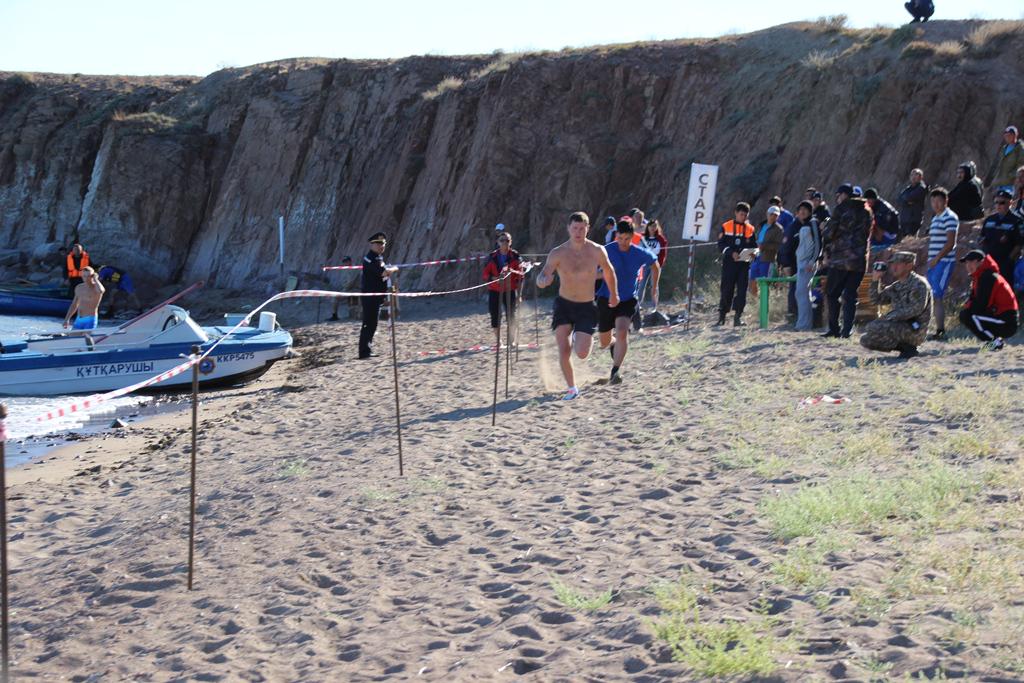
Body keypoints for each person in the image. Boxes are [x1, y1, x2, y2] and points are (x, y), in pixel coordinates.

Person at [536, 212, 617, 401]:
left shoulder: (597, 250)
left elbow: (609, 271)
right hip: (564, 305)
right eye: (575, 228)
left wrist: (614, 294)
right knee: (564, 349)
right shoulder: (558, 253)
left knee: (581, 353)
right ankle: (572, 388)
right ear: (568, 229)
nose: (578, 232)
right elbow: (542, 275)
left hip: (586, 306)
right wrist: (543, 282)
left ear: (588, 229)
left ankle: (579, 335)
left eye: (582, 228)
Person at [596, 220, 658, 384]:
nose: (623, 242)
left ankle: (615, 371)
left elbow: (655, 265)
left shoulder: (639, 253)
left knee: (622, 331)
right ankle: (613, 344)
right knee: (604, 341)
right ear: (616, 236)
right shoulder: (606, 250)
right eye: (620, 238)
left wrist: (654, 288)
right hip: (606, 298)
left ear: (632, 237)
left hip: (628, 299)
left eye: (627, 239)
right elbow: (593, 268)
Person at [860, 251, 932, 358]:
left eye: (898, 264)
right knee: (866, 340)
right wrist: (875, 280)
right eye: (892, 264)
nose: (893, 267)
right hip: (900, 325)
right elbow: (876, 300)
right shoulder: (897, 285)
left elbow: (915, 309)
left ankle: (911, 346)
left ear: (909, 266)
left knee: (874, 326)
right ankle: (906, 348)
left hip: (915, 329)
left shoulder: (919, 284)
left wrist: (889, 317)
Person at [821, 184, 871, 338]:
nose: (837, 198)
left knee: (832, 293)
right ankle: (847, 329)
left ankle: (834, 329)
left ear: (844, 195)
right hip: (859, 260)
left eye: (838, 195)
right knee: (850, 295)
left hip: (840, 260)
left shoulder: (841, 209)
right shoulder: (867, 211)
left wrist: (825, 228)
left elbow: (829, 233)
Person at [958, 249, 1018, 350]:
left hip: (1007, 322)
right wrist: (969, 305)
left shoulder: (988, 277)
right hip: (1000, 318)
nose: (968, 265)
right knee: (967, 314)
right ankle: (994, 342)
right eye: (967, 263)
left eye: (972, 262)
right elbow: (975, 301)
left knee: (968, 316)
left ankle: (995, 343)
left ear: (981, 262)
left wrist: (968, 306)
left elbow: (981, 305)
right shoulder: (980, 276)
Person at [924, 187, 959, 340]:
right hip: (933, 262)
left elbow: (951, 243)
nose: (936, 204)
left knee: (937, 295)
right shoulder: (935, 218)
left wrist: (937, 259)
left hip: (944, 262)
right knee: (930, 295)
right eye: (933, 201)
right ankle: (931, 328)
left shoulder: (950, 217)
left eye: (939, 201)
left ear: (946, 201)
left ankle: (941, 330)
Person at [358, 232, 398, 359]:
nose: (382, 246)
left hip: (376, 296)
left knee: (373, 324)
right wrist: (394, 268)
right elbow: (384, 273)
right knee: (369, 323)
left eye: (383, 244)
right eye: (379, 244)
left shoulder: (378, 258)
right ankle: (364, 352)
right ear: (372, 244)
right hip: (370, 297)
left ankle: (367, 349)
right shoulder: (370, 258)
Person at [717, 202, 757, 327]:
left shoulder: (750, 229)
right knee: (726, 289)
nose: (743, 217)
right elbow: (720, 244)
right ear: (736, 213)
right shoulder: (726, 226)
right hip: (729, 263)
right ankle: (722, 317)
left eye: (745, 215)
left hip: (743, 264)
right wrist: (731, 252)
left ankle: (737, 317)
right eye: (741, 214)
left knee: (742, 291)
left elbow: (754, 246)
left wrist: (753, 253)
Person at [482, 231, 523, 346]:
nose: (504, 243)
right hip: (494, 290)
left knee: (511, 316)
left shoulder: (515, 256)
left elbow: (520, 277)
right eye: (502, 240)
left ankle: (511, 340)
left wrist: (519, 295)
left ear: (511, 242)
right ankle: (498, 341)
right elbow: (485, 275)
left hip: (510, 290)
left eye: (507, 240)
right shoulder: (492, 257)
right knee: (495, 315)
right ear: (498, 242)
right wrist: (494, 278)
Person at [979, 190, 1022, 281]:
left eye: (1002, 202)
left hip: (1005, 263)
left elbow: (1019, 244)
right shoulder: (989, 219)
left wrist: (1009, 260)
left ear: (1010, 203)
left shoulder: (1017, 221)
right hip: (989, 261)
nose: (998, 205)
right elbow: (982, 237)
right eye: (996, 202)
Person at [793, 201, 822, 331]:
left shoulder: (813, 222)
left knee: (802, 292)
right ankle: (804, 323)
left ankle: (804, 325)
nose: (802, 211)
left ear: (810, 211)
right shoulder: (803, 225)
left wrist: (812, 261)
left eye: (805, 209)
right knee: (801, 293)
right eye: (800, 209)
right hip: (801, 263)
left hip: (808, 263)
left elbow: (818, 243)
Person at [772, 196, 799, 317]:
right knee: (777, 273)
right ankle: (778, 297)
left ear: (780, 203)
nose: (774, 204)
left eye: (776, 203)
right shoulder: (773, 214)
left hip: (787, 248)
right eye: (772, 203)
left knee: (789, 277)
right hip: (777, 249)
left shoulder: (787, 215)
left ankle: (790, 304)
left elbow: (789, 231)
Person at [750, 206, 784, 299]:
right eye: (771, 214)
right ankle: (755, 302)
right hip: (756, 257)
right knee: (752, 280)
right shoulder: (761, 225)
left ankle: (764, 303)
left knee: (764, 283)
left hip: (767, 259)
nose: (773, 216)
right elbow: (756, 239)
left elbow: (779, 245)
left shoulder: (779, 229)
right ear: (767, 214)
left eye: (775, 215)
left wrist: (764, 246)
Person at [63, 266, 105, 333]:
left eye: (88, 276)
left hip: (90, 319)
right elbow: (74, 304)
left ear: (92, 276)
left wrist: (96, 279)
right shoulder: (79, 287)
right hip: (79, 319)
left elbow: (101, 291)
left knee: (86, 338)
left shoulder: (96, 287)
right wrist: (67, 319)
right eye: (84, 276)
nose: (86, 278)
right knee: (72, 338)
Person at [985, 126, 1024, 197]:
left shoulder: (1020, 148)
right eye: (1006, 135)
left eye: (1010, 135)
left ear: (1015, 135)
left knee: (1007, 200)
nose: (1007, 137)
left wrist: (1012, 175)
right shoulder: (1004, 148)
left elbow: (1021, 165)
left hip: (1011, 183)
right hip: (999, 182)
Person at [638, 219, 667, 309]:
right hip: (644, 264)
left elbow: (663, 253)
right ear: (647, 227)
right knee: (641, 284)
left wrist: (659, 264)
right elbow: (638, 250)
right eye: (651, 226)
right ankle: (637, 305)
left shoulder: (661, 239)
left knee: (654, 285)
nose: (652, 228)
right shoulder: (642, 237)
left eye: (654, 226)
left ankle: (654, 306)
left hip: (655, 264)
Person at [895, 168, 928, 240]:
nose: (913, 176)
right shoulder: (908, 188)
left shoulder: (921, 188)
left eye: (916, 174)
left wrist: (906, 200)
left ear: (921, 177)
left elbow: (910, 198)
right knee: (902, 240)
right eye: (912, 174)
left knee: (910, 240)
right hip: (905, 219)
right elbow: (899, 199)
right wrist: (906, 201)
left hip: (914, 219)